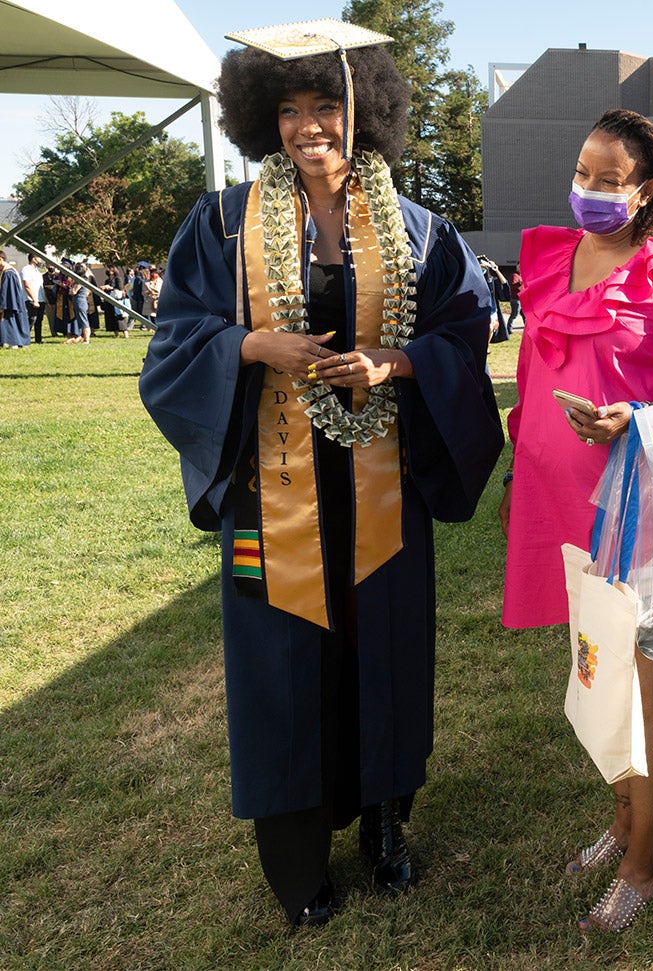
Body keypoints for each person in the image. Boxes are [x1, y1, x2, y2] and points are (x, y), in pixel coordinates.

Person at [138, 21, 504, 928]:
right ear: (263, 118)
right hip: (273, 484)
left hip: (382, 476)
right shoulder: (220, 222)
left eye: (328, 106)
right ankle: (297, 863)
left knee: (383, 654)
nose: (310, 127)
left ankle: (386, 825)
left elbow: (466, 335)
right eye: (291, 110)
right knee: (283, 666)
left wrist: (398, 365)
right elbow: (173, 346)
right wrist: (251, 343)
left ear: (364, 111)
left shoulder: (418, 227)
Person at [499, 108, 653, 933]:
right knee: (595, 668)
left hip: (637, 501)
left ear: (648, 190)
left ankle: (646, 860)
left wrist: (641, 415)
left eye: (608, 181)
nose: (590, 191)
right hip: (558, 504)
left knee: (639, 688)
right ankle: (621, 817)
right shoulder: (553, 257)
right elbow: (537, 375)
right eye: (582, 173)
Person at [0, 256, 31, 348]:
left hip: (10, 302)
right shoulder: (5, 271)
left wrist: (2, 304)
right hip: (11, 301)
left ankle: (13, 342)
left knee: (10, 321)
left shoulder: (9, 273)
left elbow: (6, 291)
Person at [21, 254, 45, 343]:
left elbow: (41, 287)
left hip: (40, 299)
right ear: (34, 259)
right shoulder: (26, 270)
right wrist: (34, 300)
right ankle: (24, 338)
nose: (40, 260)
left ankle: (38, 339)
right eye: (39, 258)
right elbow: (26, 285)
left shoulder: (38, 272)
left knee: (39, 320)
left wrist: (45, 300)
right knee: (32, 318)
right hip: (31, 299)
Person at [65, 263, 91, 344]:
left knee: (84, 321)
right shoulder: (79, 280)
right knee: (80, 321)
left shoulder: (80, 281)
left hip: (80, 302)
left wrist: (70, 288)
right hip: (78, 302)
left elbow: (73, 291)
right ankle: (81, 337)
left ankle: (87, 340)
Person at [508, 262, 524, 327]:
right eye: (519, 267)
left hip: (522, 299)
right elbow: (513, 284)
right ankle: (509, 328)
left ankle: (527, 327)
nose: (520, 268)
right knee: (514, 314)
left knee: (524, 314)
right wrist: (521, 283)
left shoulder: (522, 276)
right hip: (515, 299)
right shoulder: (514, 275)